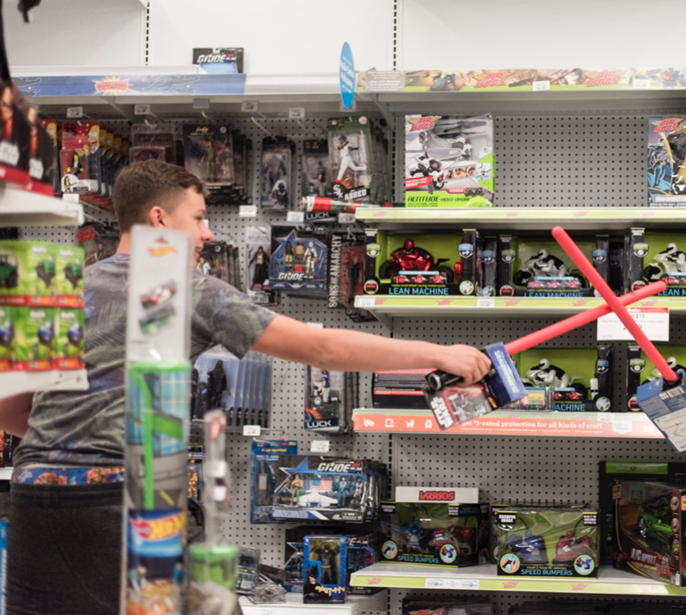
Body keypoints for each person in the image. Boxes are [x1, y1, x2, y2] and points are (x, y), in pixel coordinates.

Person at [0, 160, 490, 615]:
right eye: (198, 218)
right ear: (159, 219)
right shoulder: (186, 287)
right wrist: (439, 354)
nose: (208, 233)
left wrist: (71, 445)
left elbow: (10, 408)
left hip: (33, 498)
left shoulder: (58, 289)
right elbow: (321, 348)